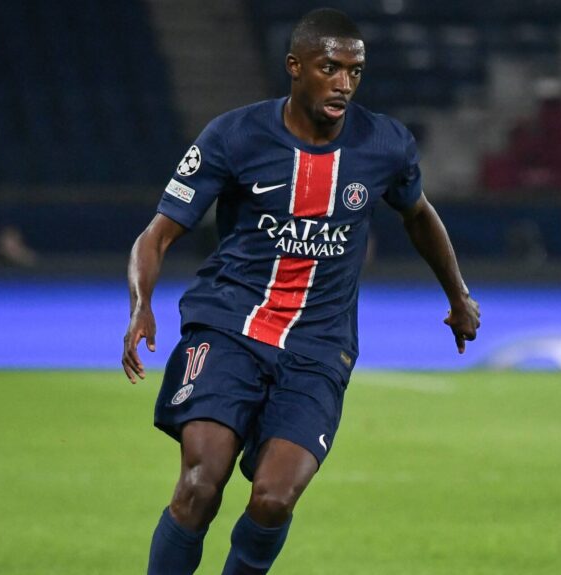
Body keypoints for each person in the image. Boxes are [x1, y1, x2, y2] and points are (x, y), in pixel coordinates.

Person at [121, 8, 480, 574]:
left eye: (354, 72)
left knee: (273, 499)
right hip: (229, 328)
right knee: (199, 484)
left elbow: (418, 215)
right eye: (329, 68)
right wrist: (142, 307)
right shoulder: (235, 135)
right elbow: (157, 234)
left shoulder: (384, 144)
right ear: (295, 67)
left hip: (318, 349)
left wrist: (458, 295)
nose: (343, 83)